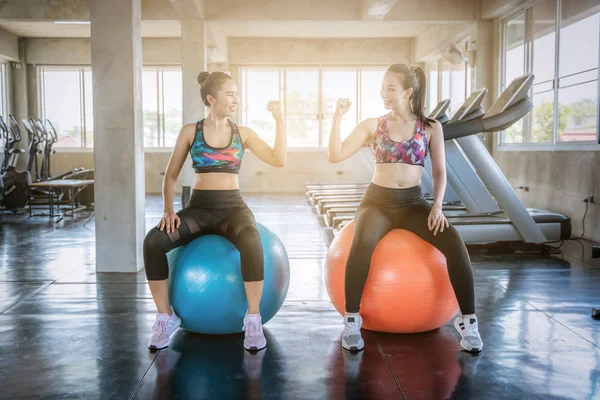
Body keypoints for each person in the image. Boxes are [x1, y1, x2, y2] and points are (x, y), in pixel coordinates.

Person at [328, 64, 483, 353]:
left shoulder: (430, 127)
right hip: (377, 202)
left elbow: (439, 171)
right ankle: (351, 320)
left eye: (390, 87)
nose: (384, 93)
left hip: (414, 203)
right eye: (383, 87)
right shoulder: (373, 125)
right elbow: (335, 155)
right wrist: (337, 117)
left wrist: (437, 206)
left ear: (408, 92)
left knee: (454, 243)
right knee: (361, 244)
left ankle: (469, 321)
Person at [143, 71, 287, 352]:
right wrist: (168, 210)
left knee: (251, 240)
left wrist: (280, 120)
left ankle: (253, 319)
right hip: (198, 209)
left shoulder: (242, 133)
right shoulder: (190, 131)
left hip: (232, 208)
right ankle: (165, 316)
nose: (236, 99)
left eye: (236, 93)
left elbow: (279, 159)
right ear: (211, 98)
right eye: (230, 93)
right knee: (153, 242)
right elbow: (170, 175)